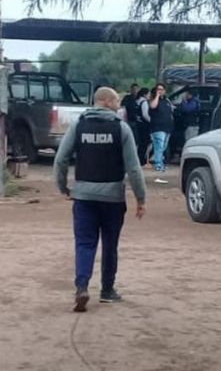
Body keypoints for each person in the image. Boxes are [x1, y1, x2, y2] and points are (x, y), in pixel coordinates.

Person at [54, 87, 147, 313]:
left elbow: (60, 159)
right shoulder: (121, 128)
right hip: (113, 199)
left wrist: (64, 187)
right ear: (105, 101)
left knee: (84, 243)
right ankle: (107, 290)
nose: (119, 104)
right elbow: (134, 169)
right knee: (110, 244)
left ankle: (82, 287)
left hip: (83, 197)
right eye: (116, 100)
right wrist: (141, 198)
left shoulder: (78, 126)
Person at [142, 83, 174, 173]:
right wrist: (157, 96)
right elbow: (153, 106)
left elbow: (171, 112)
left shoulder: (166, 101)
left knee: (163, 146)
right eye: (158, 89)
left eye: (162, 89)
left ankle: (160, 163)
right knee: (159, 146)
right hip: (157, 127)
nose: (160, 91)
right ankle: (158, 164)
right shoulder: (153, 100)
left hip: (167, 127)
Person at [133, 87, 151, 166]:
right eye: (148, 94)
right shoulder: (144, 102)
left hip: (138, 124)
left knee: (140, 143)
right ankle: (142, 160)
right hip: (144, 125)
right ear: (144, 94)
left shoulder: (137, 101)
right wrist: (151, 121)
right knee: (144, 143)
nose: (149, 95)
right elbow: (145, 114)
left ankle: (139, 159)